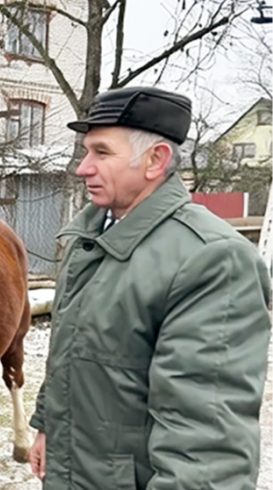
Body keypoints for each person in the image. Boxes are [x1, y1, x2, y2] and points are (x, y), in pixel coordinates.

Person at [27, 85, 272, 489]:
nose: (82, 168)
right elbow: (72, 354)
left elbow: (206, 450)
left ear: (155, 161)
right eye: (87, 151)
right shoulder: (89, 237)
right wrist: (48, 424)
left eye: (102, 153)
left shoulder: (210, 260)